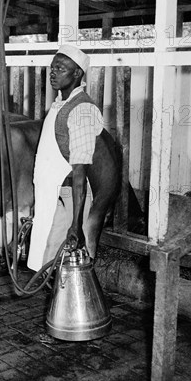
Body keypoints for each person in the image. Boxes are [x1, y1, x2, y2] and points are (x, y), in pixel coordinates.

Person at [26, 45, 121, 272]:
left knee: (65, 262)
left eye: (60, 68)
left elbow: (80, 171)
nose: (53, 73)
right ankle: (64, 305)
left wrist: (76, 225)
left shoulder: (82, 111)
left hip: (71, 196)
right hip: (55, 194)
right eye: (52, 68)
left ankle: (78, 305)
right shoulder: (60, 105)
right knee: (50, 261)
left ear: (77, 73)